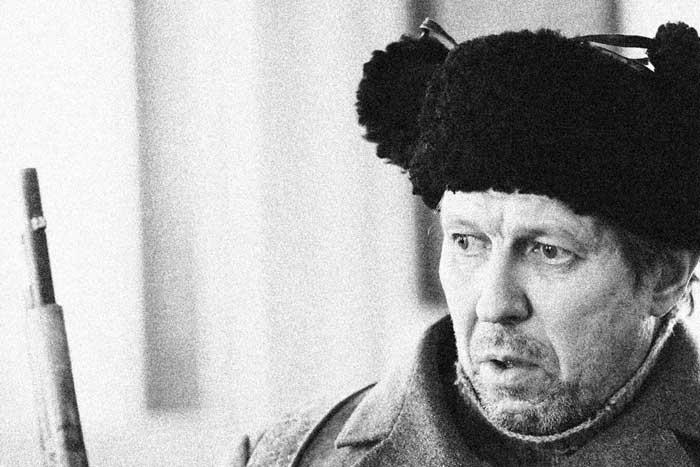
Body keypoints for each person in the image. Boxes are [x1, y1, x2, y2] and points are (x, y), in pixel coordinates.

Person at [231, 19, 700, 466]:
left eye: (548, 251)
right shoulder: (283, 457)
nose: (494, 305)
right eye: (466, 242)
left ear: (666, 278)